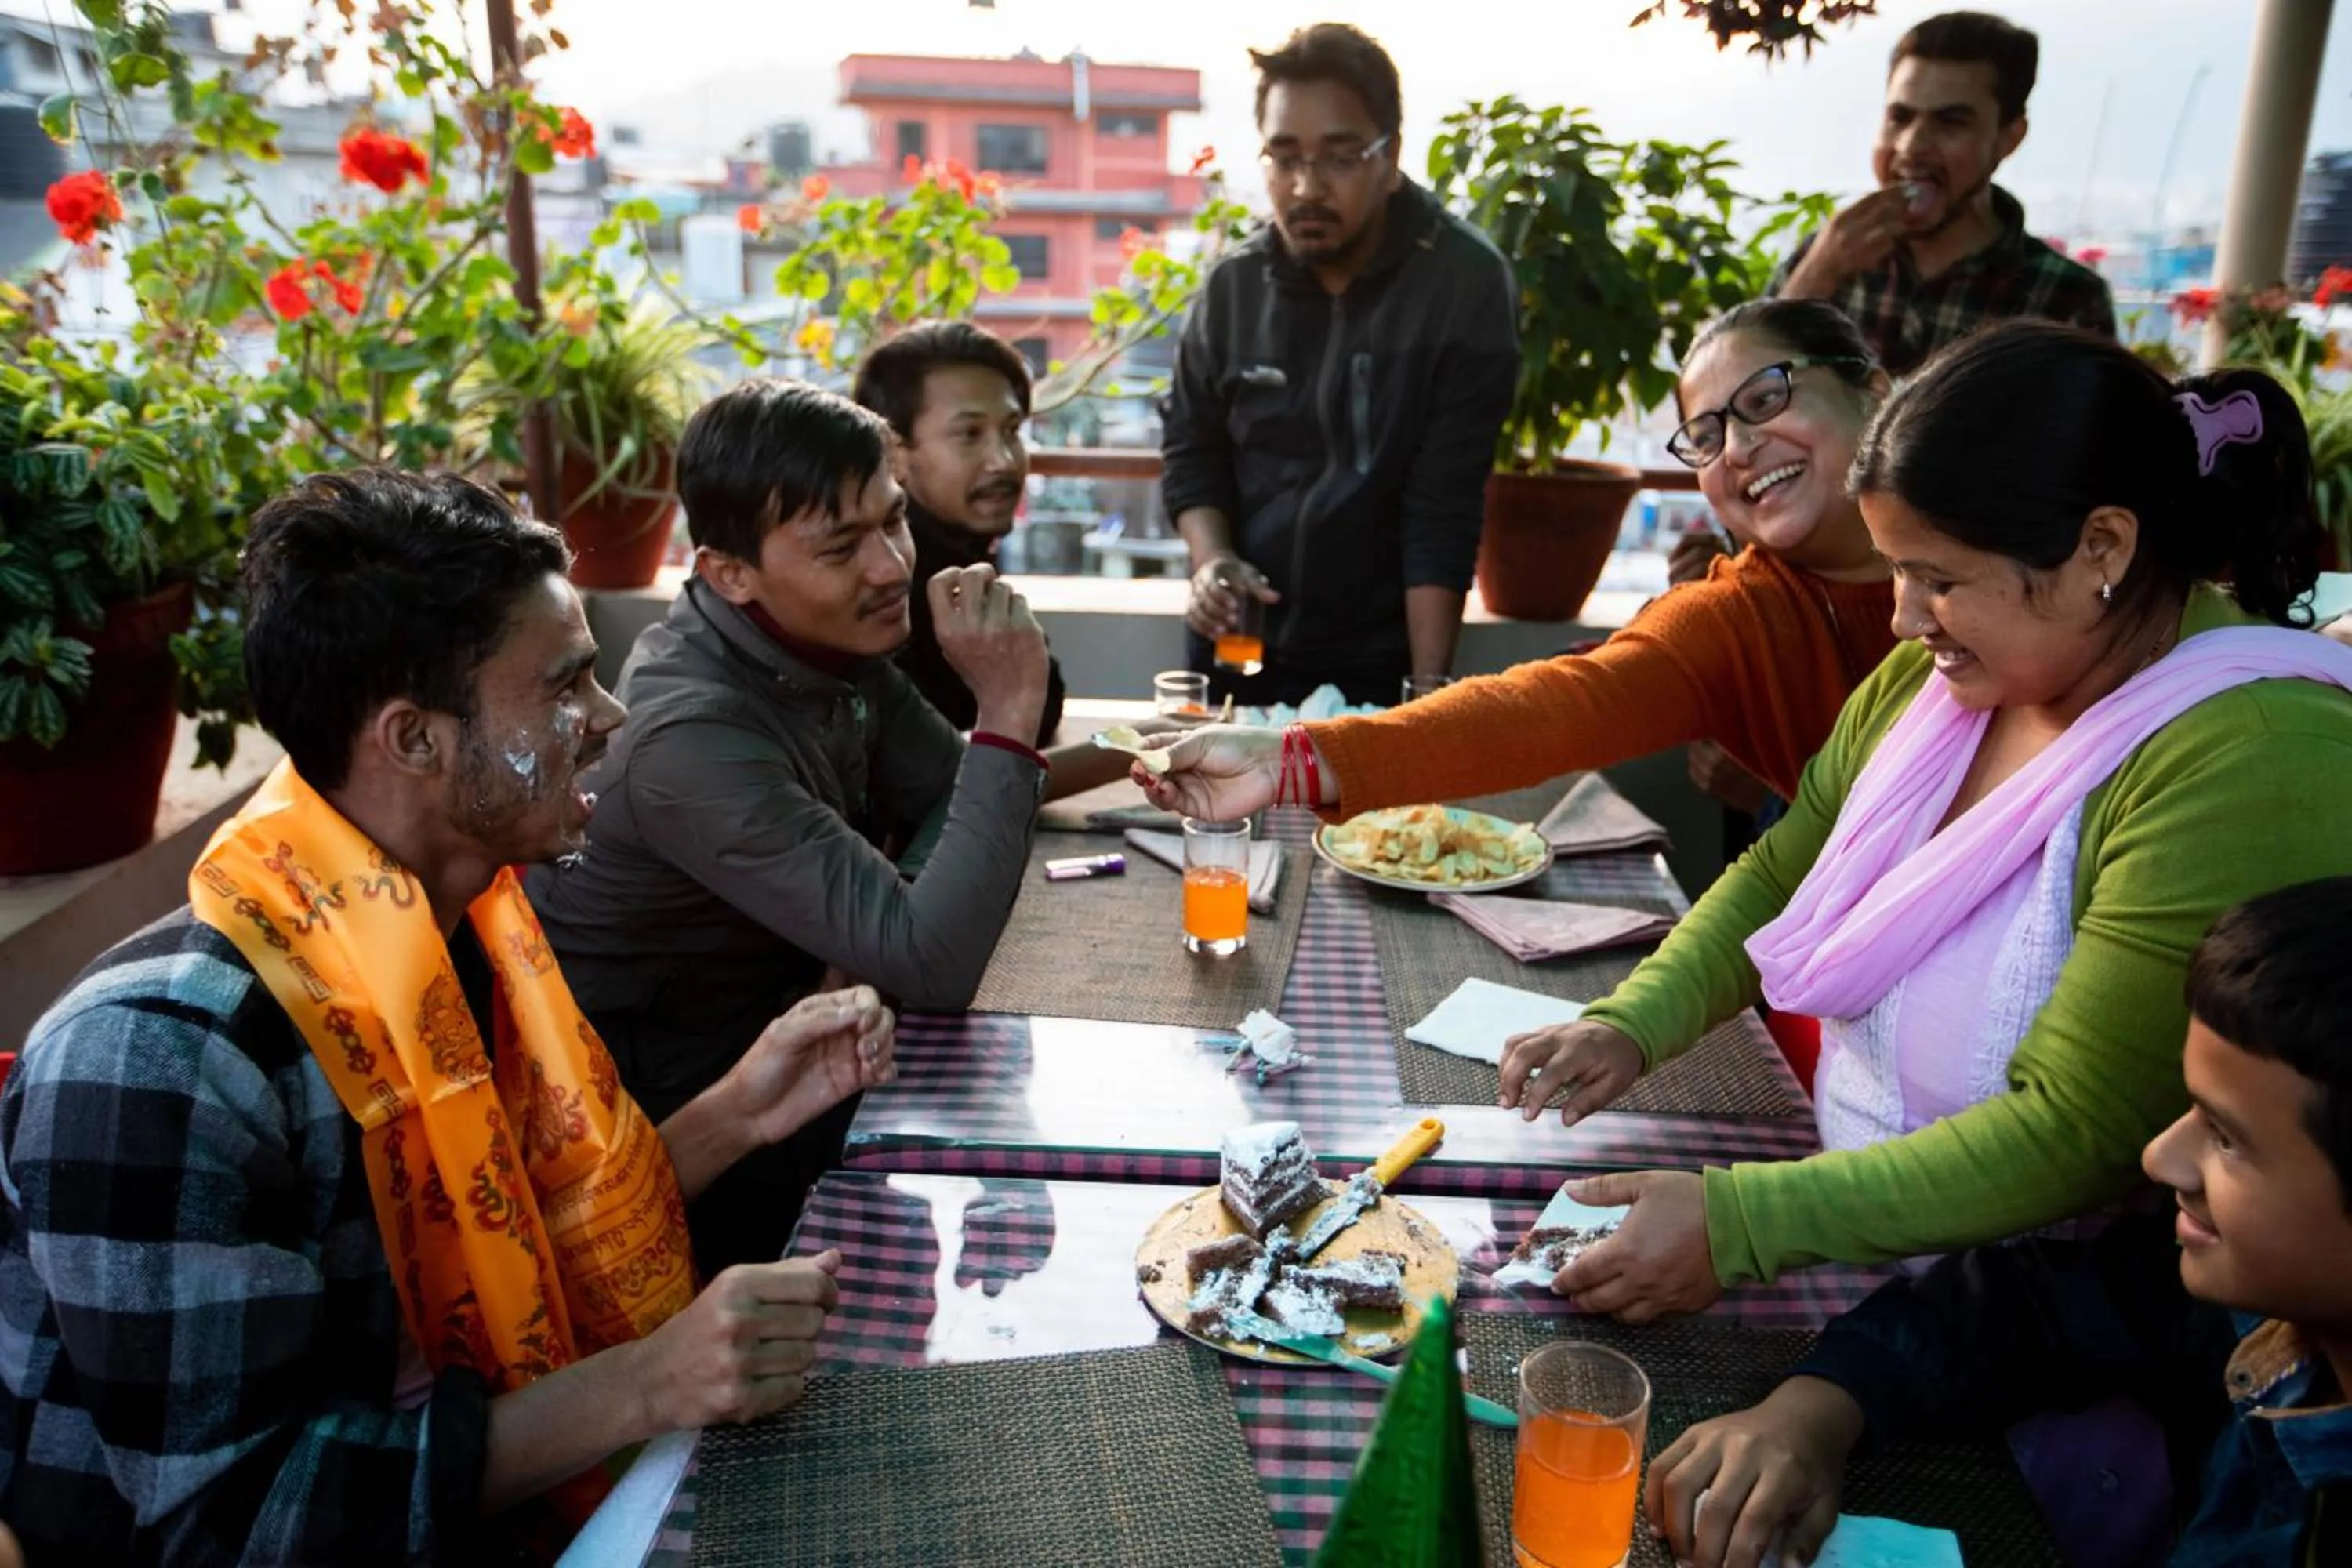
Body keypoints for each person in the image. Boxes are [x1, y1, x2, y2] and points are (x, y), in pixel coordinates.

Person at [0, 470, 893, 1561]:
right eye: (566, 685)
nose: (607, 719)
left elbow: (497, 1249)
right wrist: (651, 1383)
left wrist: (735, 1114)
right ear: (415, 741)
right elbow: (237, 1521)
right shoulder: (155, 1058)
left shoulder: (474, 939)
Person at [1477, 322, 2352, 1329]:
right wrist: (1632, 1022)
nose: (1902, 617)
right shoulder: (1943, 682)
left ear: (2101, 546)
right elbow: (1782, 874)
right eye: (1897, 568)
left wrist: (1740, 1222)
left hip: (2033, 1347)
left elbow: (2076, 1130)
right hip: (1863, 1255)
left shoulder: (2248, 753)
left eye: (1938, 577)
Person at [529, 378, 1082, 1272]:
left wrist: (881, 920)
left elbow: (951, 786)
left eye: (893, 520)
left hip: (809, 1054)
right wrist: (1009, 708)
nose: (892, 566)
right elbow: (937, 960)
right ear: (729, 571)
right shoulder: (690, 737)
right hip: (670, 1154)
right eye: (840, 546)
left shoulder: (819, 646)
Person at [1643, 879, 2352, 1568]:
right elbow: (2025, 1308)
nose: (2160, 1158)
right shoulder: (2225, 1310)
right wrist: (1819, 1405)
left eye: (2226, 1137)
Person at [1137, 299, 1898, 820]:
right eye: (1705, 434)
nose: (1738, 447)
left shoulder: (1997, 557)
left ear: (1874, 389)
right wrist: (1285, 763)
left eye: (1766, 399)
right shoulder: (1736, 617)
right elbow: (1550, 707)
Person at [1161, 20, 1517, 706]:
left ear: (1390, 159)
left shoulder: (1463, 284)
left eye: (1340, 157)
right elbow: (1189, 448)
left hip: (1378, 659)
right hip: (1243, 644)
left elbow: (1442, 505)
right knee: (1226, 810)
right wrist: (1213, 562)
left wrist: (1429, 698)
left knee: (1379, 816)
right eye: (1283, 156)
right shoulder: (1233, 287)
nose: (1305, 187)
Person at [1769, 10, 2114, 376]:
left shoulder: (2064, 300)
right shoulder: (1826, 258)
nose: (1912, 146)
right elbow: (1736, 394)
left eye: (1951, 122)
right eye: (1899, 118)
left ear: (2008, 138)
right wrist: (1817, 276)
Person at [852, 321, 1068, 746]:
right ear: (895, 452)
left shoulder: (960, 551)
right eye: (970, 434)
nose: (1003, 461)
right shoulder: (886, 580)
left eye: (1011, 431)